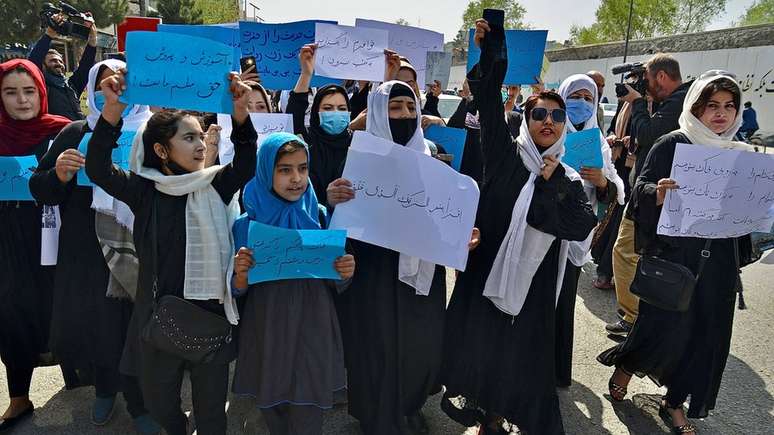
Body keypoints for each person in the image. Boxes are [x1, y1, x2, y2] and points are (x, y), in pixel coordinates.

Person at [439, 20, 596, 435]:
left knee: (523, 356)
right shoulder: (505, 157)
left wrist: (550, 187)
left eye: (556, 115)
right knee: (487, 350)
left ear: (564, 125)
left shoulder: (567, 177)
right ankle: (489, 418)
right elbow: (488, 100)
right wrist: (492, 47)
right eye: (539, 114)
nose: (548, 121)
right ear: (526, 120)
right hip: (489, 272)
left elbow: (580, 225)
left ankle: (515, 415)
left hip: (536, 286)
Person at [85, 68, 257, 435]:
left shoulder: (215, 186)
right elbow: (98, 169)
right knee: (163, 411)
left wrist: (241, 114)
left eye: (200, 136)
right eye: (188, 137)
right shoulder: (145, 192)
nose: (199, 145)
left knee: (212, 417)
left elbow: (245, 162)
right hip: (156, 325)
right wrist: (112, 111)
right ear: (161, 150)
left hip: (210, 321)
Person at [598, 71, 752, 435]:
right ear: (696, 107)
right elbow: (639, 192)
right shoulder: (672, 143)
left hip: (719, 265)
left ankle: (674, 402)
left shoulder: (741, 153)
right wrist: (659, 194)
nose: (721, 114)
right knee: (661, 326)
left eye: (729, 106)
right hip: (676, 257)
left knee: (704, 336)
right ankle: (628, 365)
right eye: (711, 105)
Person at [326, 80, 470, 435]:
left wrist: (459, 235)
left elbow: (443, 212)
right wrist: (332, 196)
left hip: (420, 274)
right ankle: (378, 416)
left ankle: (409, 405)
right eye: (394, 107)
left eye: (410, 107)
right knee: (377, 348)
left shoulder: (431, 155)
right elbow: (342, 211)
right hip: (373, 272)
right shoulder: (360, 157)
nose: (404, 115)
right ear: (377, 111)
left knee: (419, 348)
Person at [27, 59, 159, 433]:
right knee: (100, 325)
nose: (112, 88)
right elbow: (40, 190)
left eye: (121, 81)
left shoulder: (153, 132)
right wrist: (60, 173)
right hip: (87, 250)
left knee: (135, 326)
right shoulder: (74, 131)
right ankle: (105, 389)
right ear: (91, 88)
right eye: (103, 83)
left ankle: (140, 402)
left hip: (140, 245)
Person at [230, 131, 354, 435]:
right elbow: (236, 290)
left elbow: (337, 281)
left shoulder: (322, 216)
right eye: (285, 169)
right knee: (271, 403)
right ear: (265, 170)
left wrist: (346, 271)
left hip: (313, 325)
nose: (296, 178)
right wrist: (241, 275)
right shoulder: (246, 224)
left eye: (302, 168)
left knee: (308, 408)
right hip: (267, 327)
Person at [0, 59, 70, 431]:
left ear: (42, 93)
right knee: (11, 312)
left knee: (61, 302)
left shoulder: (62, 132)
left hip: (54, 231)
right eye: (10, 92)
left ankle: (79, 381)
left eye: (29, 91)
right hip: (8, 238)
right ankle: (18, 397)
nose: (21, 100)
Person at [607, 53, 692, 337]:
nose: (645, 86)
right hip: (653, 191)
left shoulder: (679, 102)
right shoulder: (680, 102)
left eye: (647, 80)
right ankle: (644, 317)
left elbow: (649, 134)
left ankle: (634, 319)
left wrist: (638, 103)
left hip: (654, 194)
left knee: (625, 252)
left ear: (662, 77)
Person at [554, 74, 625, 388]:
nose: (581, 103)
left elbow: (614, 194)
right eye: (575, 96)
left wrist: (601, 181)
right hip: (542, 231)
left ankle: (555, 369)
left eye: (587, 98)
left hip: (575, 235)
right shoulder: (543, 129)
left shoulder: (597, 142)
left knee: (563, 300)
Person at [286, 44, 353, 207]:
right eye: (328, 108)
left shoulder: (357, 145)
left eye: (342, 109)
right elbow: (293, 116)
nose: (336, 113)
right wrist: (306, 73)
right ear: (316, 112)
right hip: (315, 226)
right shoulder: (306, 143)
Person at [28, 17, 98, 120]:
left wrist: (92, 39)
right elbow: (33, 61)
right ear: (43, 65)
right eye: (53, 61)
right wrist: (49, 35)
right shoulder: (41, 86)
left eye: (60, 61)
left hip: (79, 132)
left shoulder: (71, 85)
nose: (59, 64)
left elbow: (85, 67)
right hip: (55, 135)